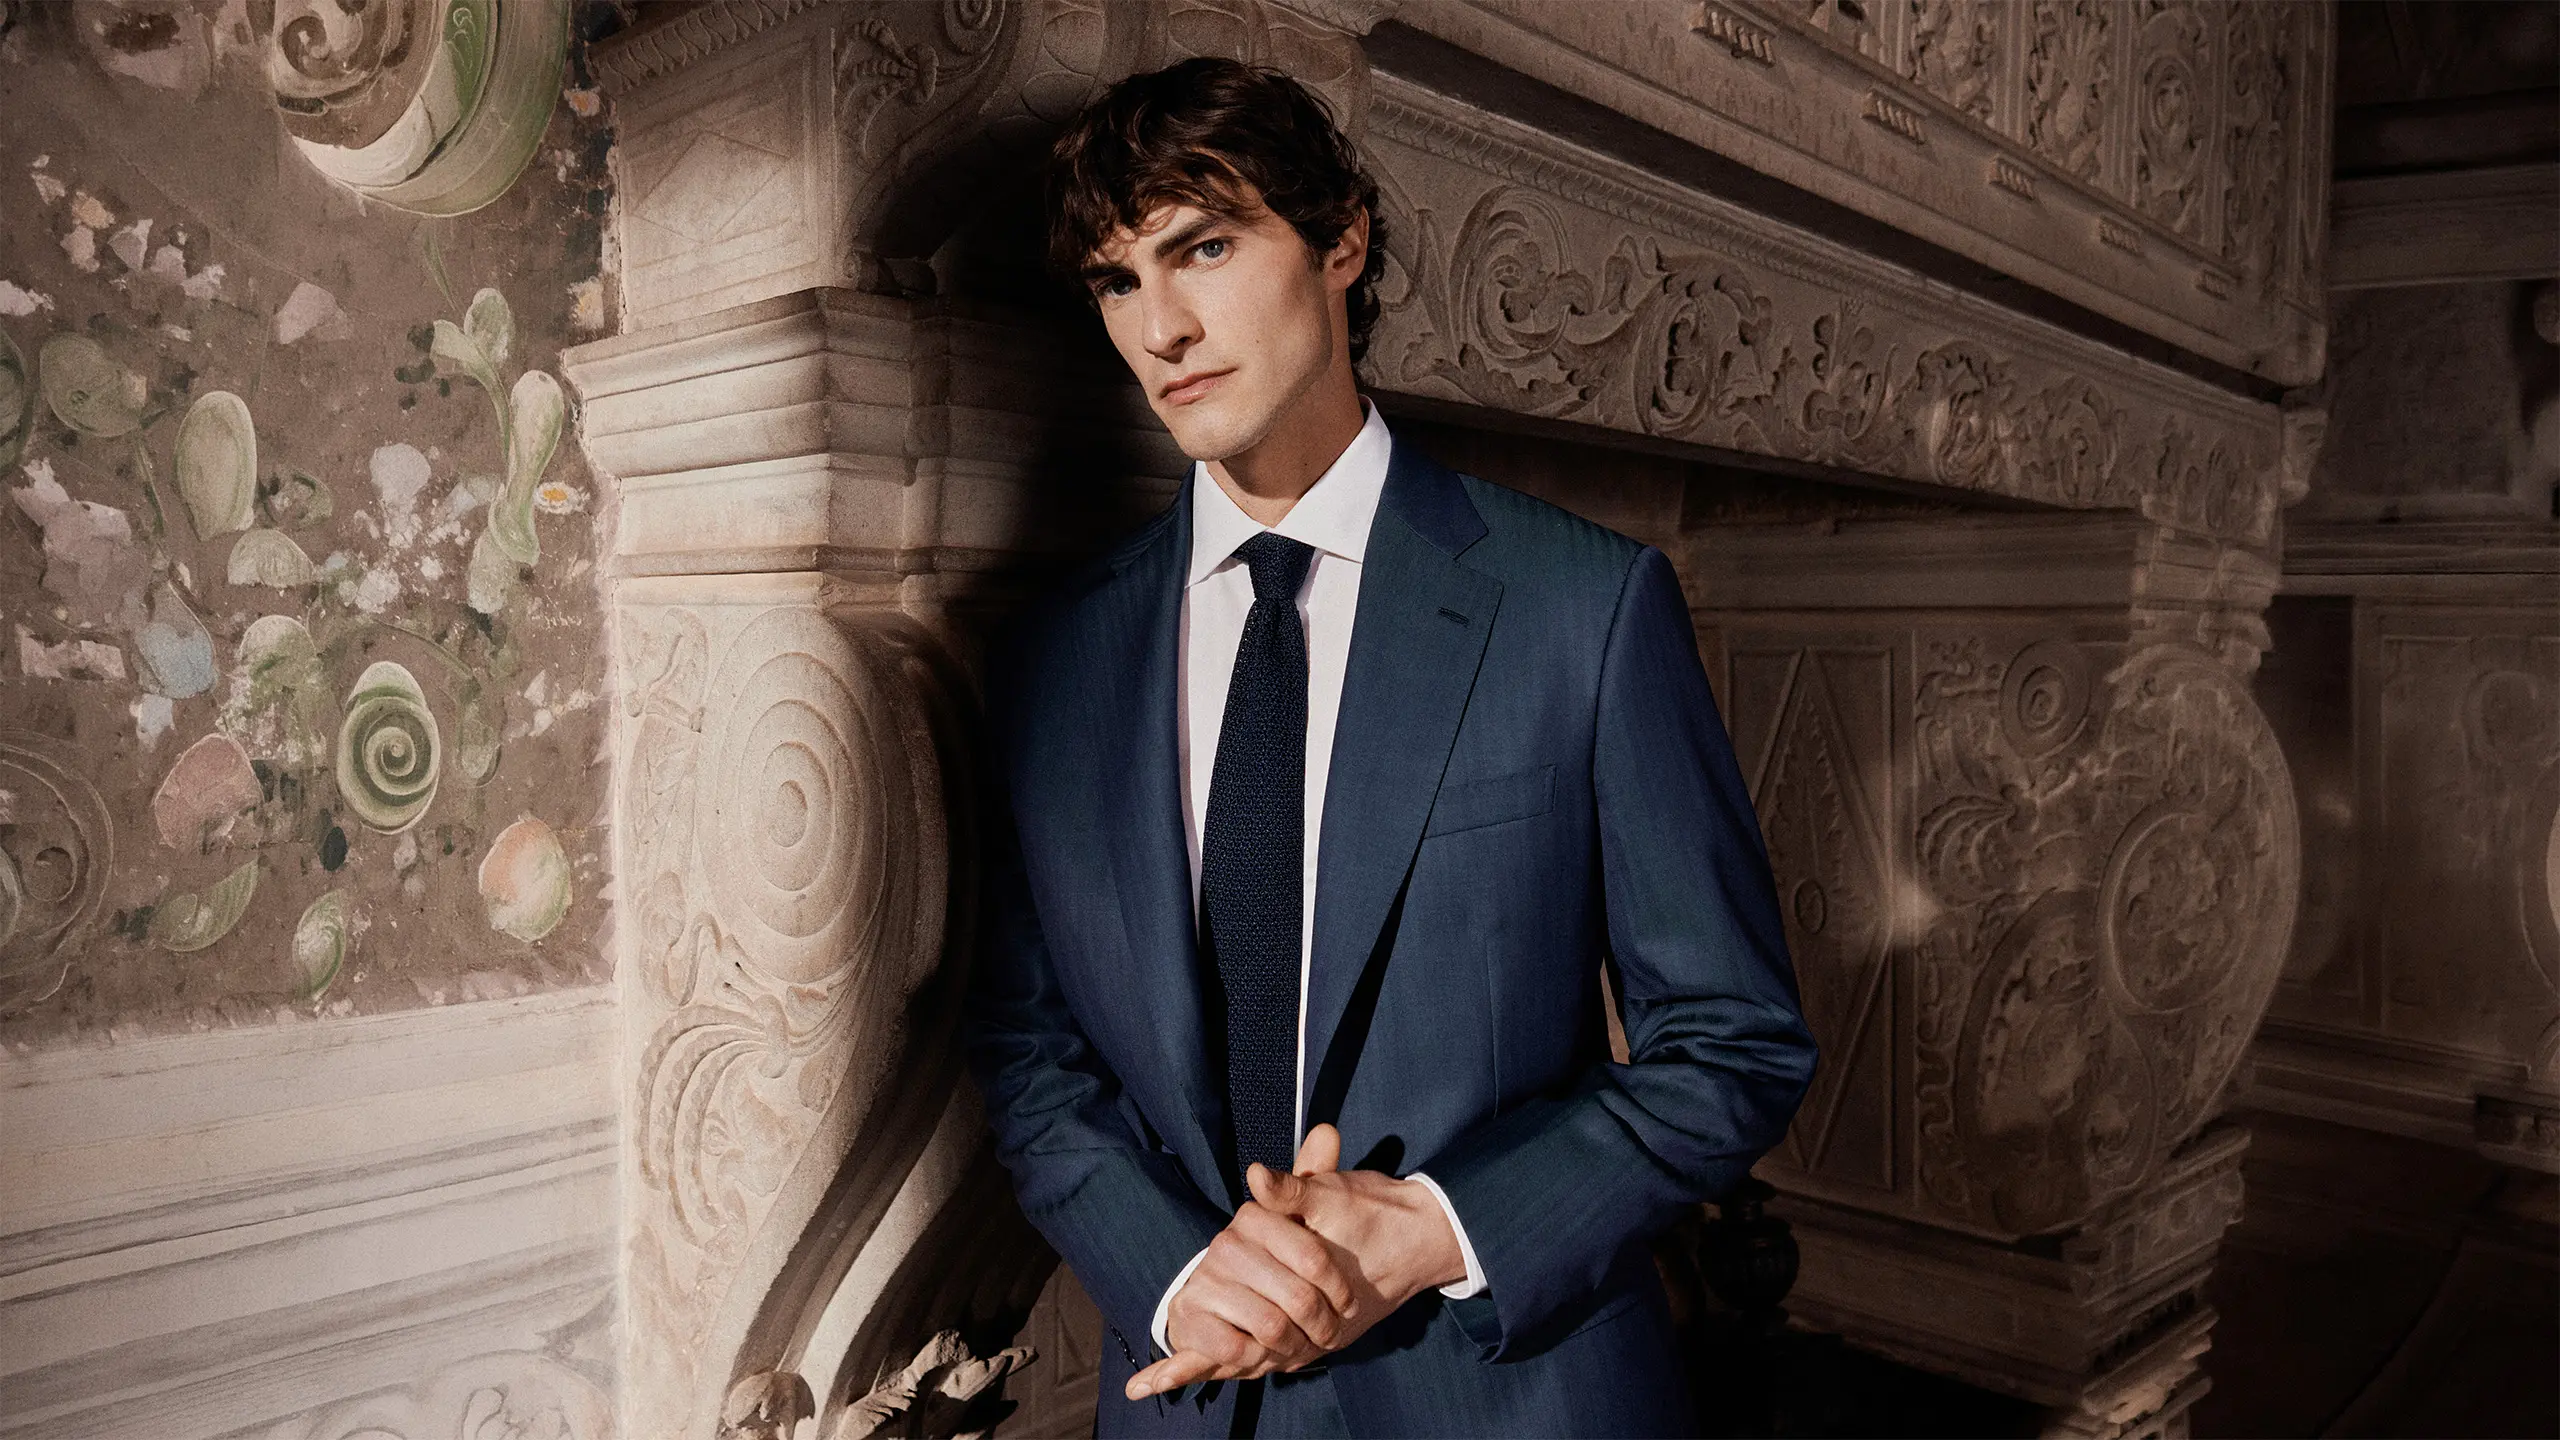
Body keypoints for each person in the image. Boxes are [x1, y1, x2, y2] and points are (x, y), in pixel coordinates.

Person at [960, 56, 1818, 1438]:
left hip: (1505, 1396)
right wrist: (1175, 1276)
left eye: (1206, 248)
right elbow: (1027, 1046)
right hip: (1189, 1398)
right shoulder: (1057, 660)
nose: (1161, 327)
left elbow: (1735, 1040)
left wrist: (1439, 1228)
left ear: (1342, 240)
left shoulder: (1582, 609)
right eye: (1118, 282)